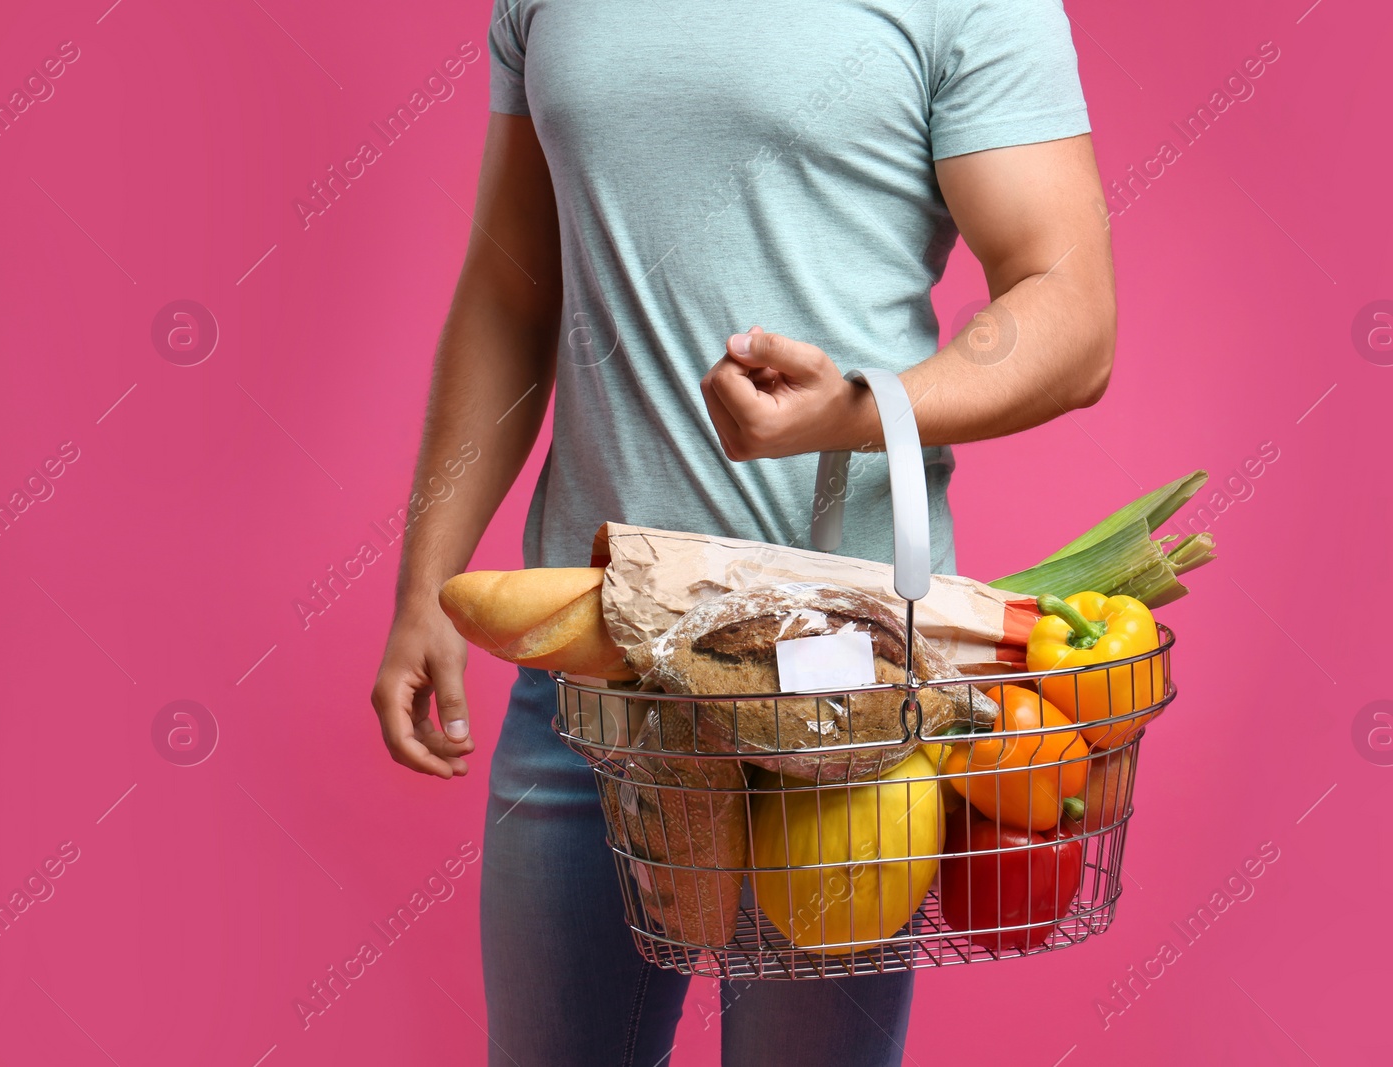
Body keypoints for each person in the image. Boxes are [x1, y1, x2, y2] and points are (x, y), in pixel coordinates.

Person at [371, 0, 1114, 1062]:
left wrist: (859, 409)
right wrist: (424, 581)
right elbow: (511, 286)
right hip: (598, 657)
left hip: (840, 674)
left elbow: (1072, 310)